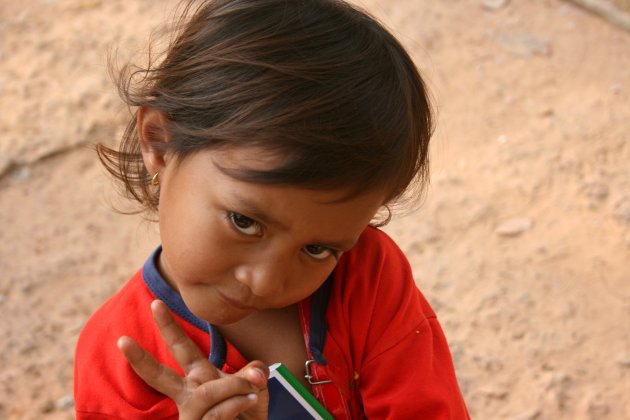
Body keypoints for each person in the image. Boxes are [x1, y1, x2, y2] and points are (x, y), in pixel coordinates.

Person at [74, 0, 470, 418]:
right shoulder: (118, 360)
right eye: (245, 222)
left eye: (318, 250)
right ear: (160, 142)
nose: (265, 281)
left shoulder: (368, 283)